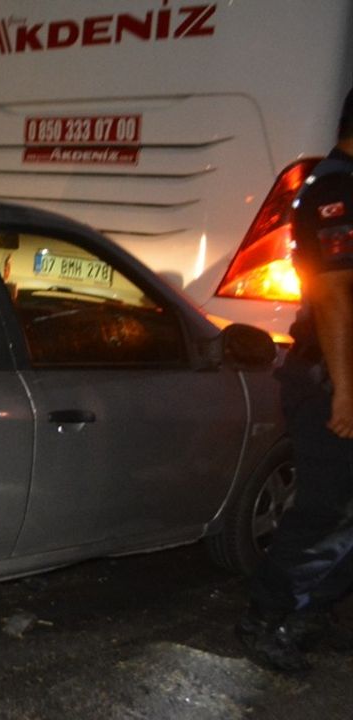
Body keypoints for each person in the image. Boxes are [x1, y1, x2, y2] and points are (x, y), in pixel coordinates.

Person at [236, 87, 353, 674]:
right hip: (329, 377)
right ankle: (267, 616)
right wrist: (346, 388)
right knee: (325, 509)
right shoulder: (336, 191)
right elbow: (332, 296)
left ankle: (312, 610)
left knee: (343, 509)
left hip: (338, 373)